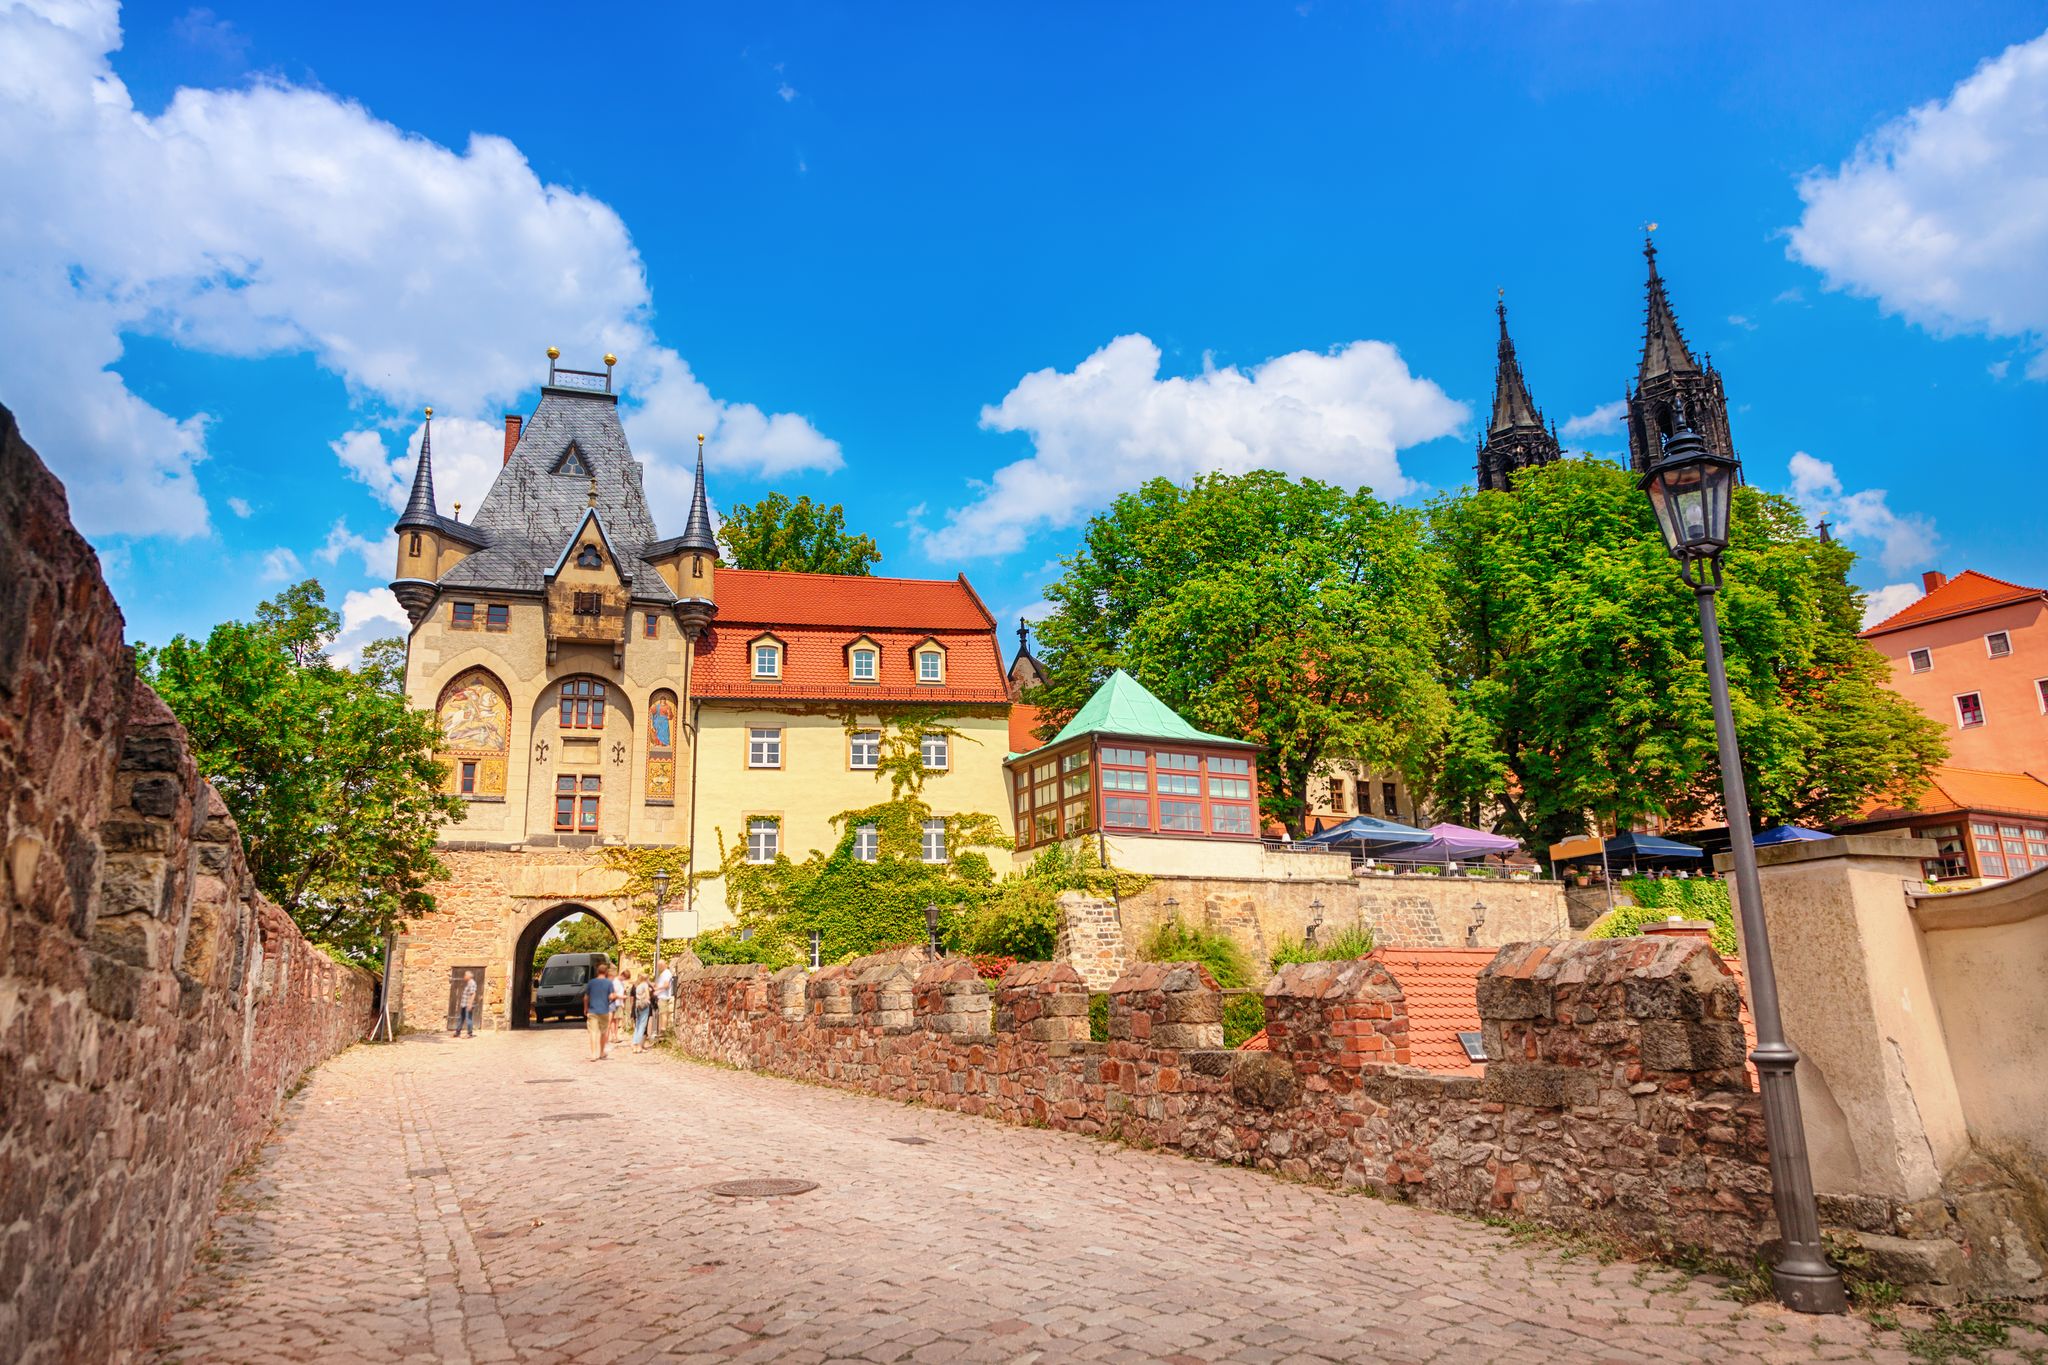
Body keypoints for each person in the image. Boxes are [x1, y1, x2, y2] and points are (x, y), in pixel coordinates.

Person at [584, 962, 616, 1061]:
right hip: (604, 1010)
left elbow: (586, 997)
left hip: (593, 1010)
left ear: (598, 971)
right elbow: (611, 996)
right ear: (606, 972)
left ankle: (593, 1054)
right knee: (603, 1032)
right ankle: (601, 1052)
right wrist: (615, 997)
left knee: (593, 1033)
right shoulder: (609, 983)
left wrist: (585, 1008)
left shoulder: (591, 982)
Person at [631, 972, 655, 1050]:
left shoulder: (637, 986)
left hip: (637, 1005)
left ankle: (634, 1045)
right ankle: (639, 1046)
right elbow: (647, 997)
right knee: (642, 1026)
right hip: (644, 1006)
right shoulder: (645, 985)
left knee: (637, 1026)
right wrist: (648, 1001)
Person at [455, 970, 478, 1037]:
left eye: (465, 975)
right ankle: (457, 1032)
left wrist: (470, 1004)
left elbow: (473, 994)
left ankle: (469, 1033)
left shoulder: (472, 983)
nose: (464, 977)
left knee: (468, 1019)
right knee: (461, 1018)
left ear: (468, 976)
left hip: (468, 1004)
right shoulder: (469, 983)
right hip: (464, 1004)